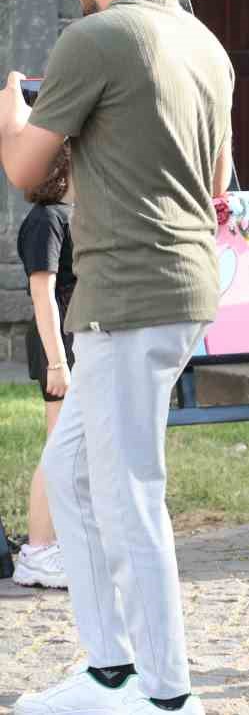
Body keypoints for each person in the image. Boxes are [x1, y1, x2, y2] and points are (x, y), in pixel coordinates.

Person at [5, 0, 234, 715]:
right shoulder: (203, 40)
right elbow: (217, 183)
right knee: (71, 477)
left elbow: (26, 172)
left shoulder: (94, 36)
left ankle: (167, 695)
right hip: (178, 284)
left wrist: (13, 114)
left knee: (128, 491)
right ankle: (110, 671)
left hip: (129, 295)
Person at [13, 144, 75, 590]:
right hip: (58, 344)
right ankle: (37, 550)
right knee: (58, 447)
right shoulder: (46, 220)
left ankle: (59, 543)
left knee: (72, 448)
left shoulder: (67, 216)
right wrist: (57, 361)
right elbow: (43, 294)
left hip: (75, 338)